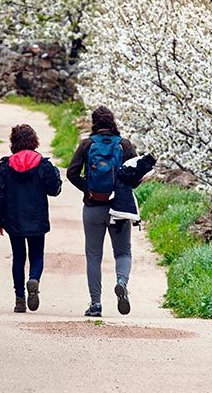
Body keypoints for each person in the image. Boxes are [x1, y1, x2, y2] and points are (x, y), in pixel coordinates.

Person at [67, 106, 138, 317]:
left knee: (93, 256)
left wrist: (88, 189)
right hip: (119, 209)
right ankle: (121, 282)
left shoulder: (87, 145)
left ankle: (96, 304)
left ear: (94, 122)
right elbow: (136, 175)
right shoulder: (124, 145)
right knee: (123, 252)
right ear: (113, 121)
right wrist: (122, 192)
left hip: (93, 207)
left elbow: (71, 173)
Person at [0, 124, 62, 313]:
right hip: (37, 218)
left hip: (13, 219)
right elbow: (54, 190)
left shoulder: (6, 166)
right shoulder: (43, 164)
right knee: (37, 255)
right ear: (34, 141)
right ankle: (34, 279)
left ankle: (20, 299)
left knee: (18, 258)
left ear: (13, 142)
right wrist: (56, 174)